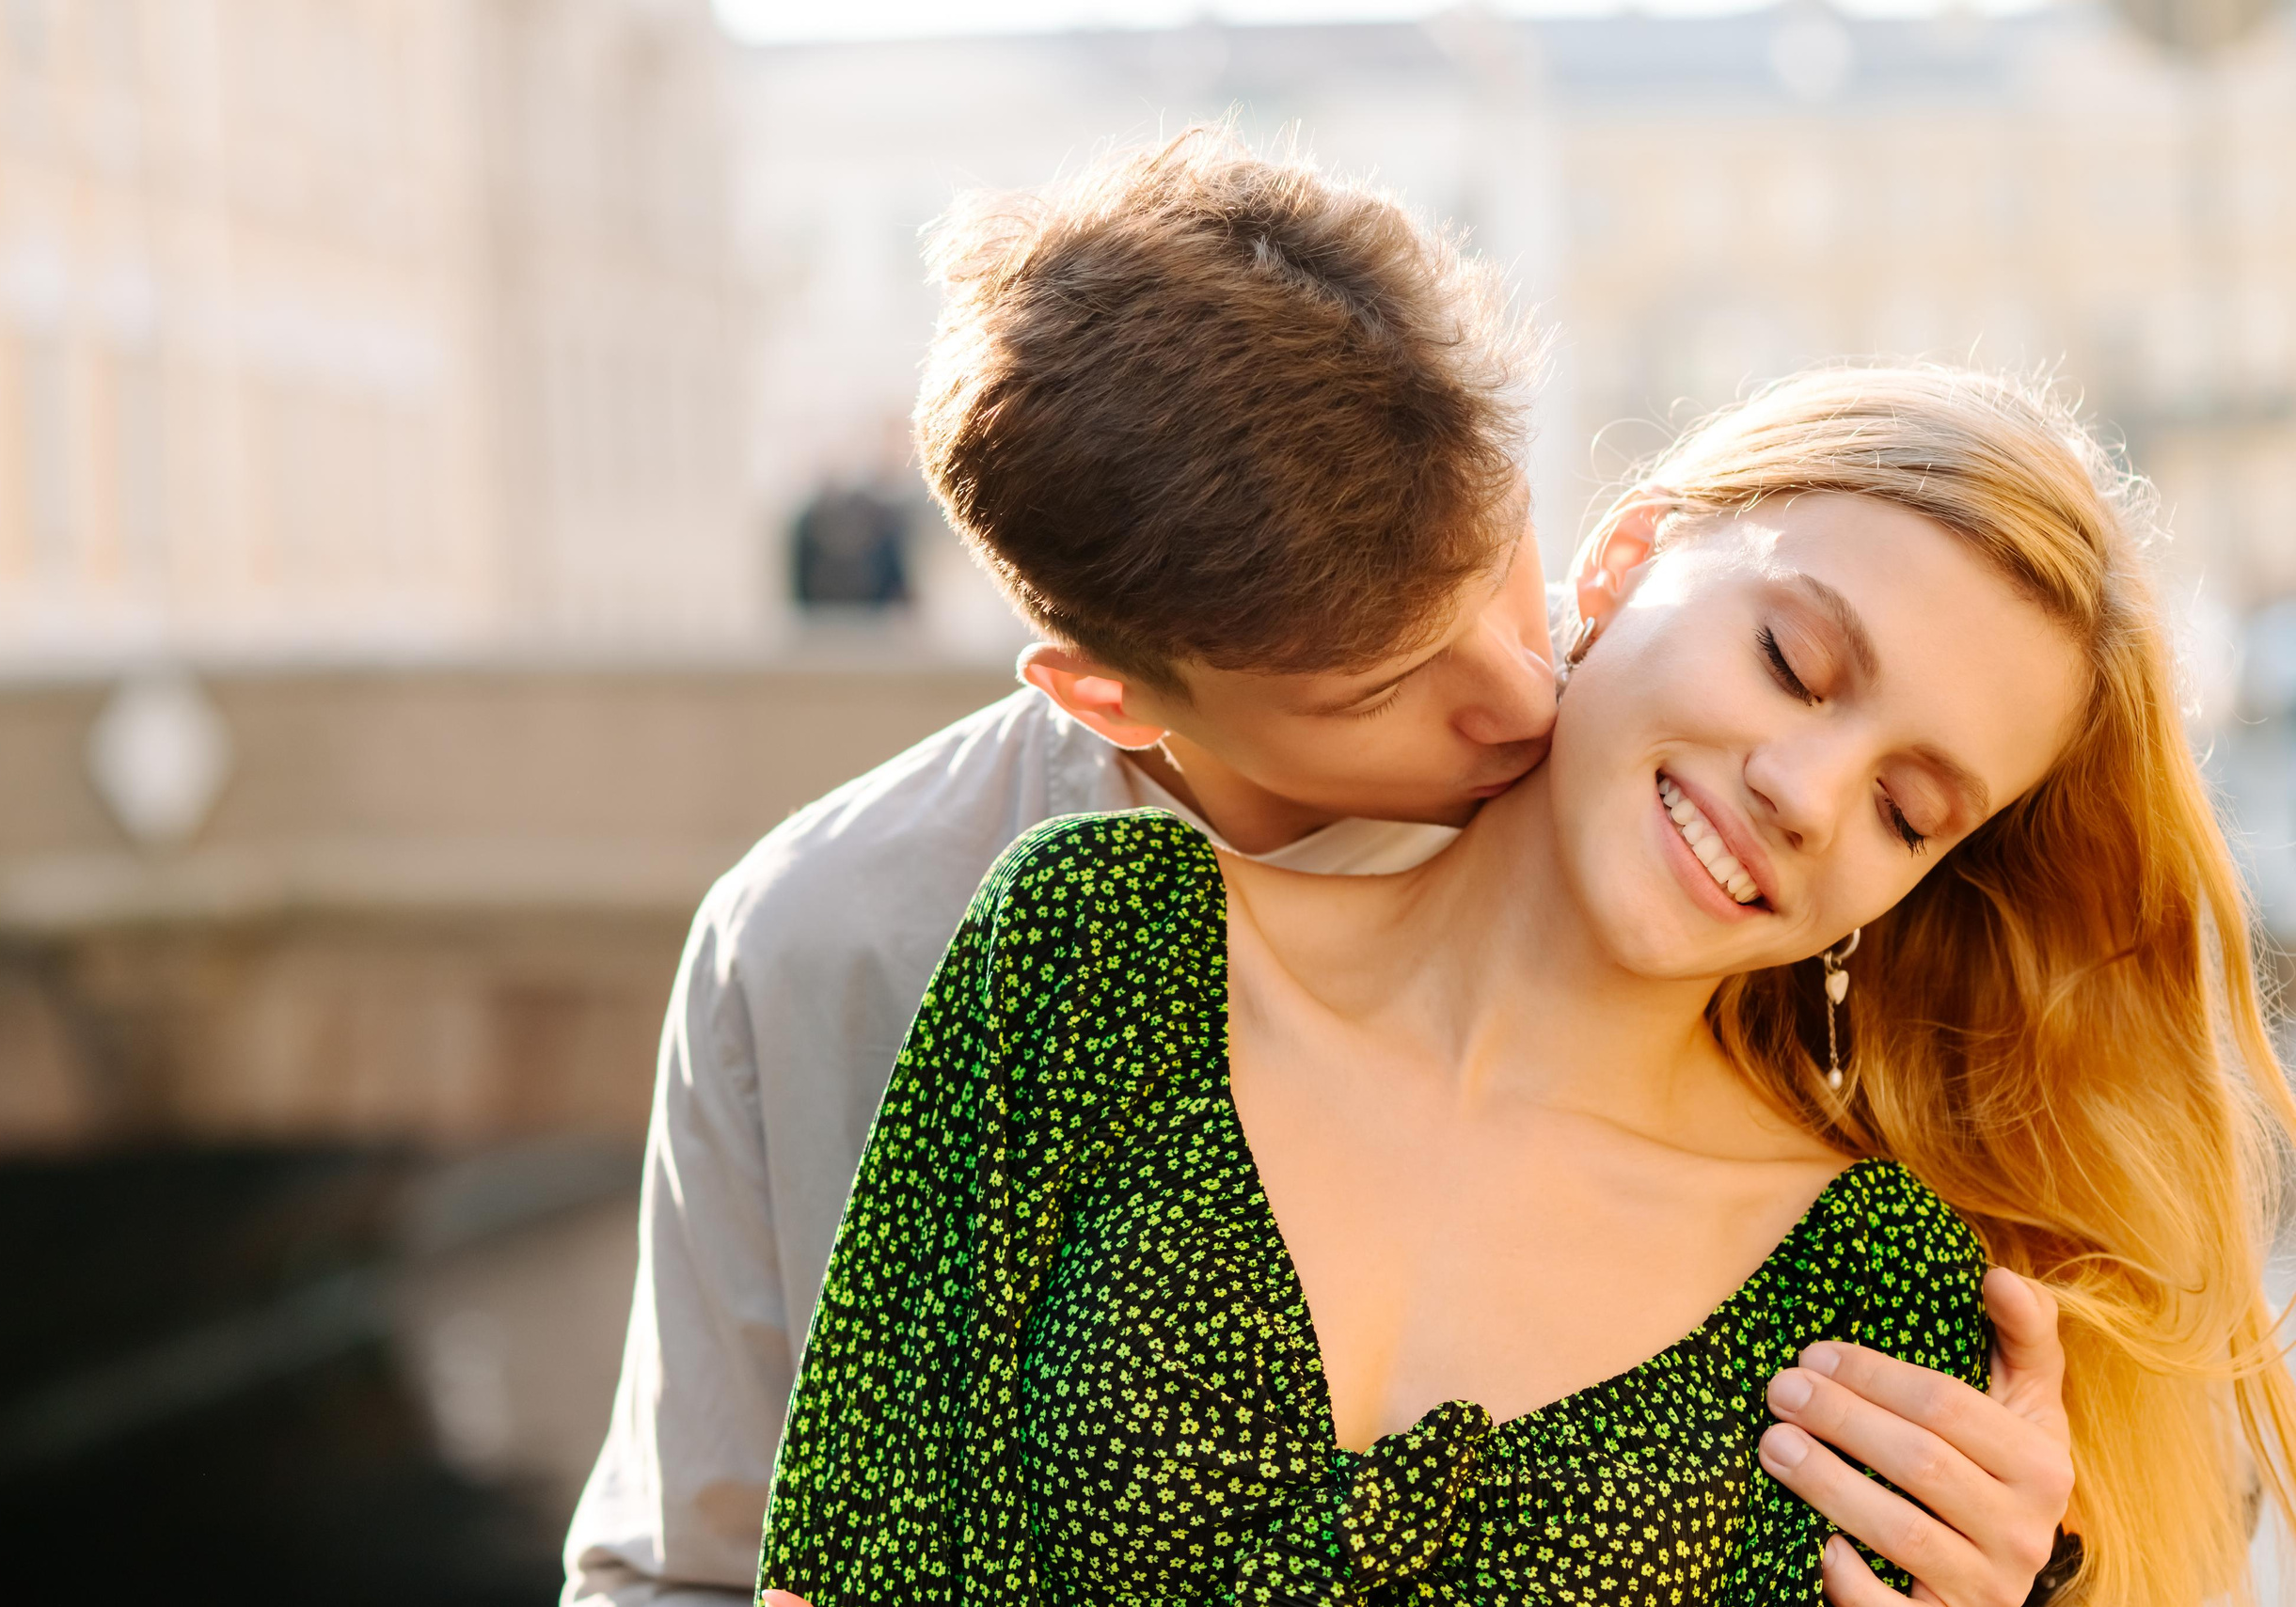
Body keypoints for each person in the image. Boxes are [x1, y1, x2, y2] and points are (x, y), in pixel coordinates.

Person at [562, 135, 2073, 1607]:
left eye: (1500, 562)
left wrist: (2049, 1579)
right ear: (1112, 699)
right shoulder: (862, 938)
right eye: (1380, 685)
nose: (1522, 692)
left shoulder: (1685, 836)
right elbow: (690, 1562)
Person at [757, 364, 2295, 1607]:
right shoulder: (1097, 948)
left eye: (1909, 808)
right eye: (1791, 660)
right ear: (1623, 565)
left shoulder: (1871, 1288)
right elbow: (838, 1572)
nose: (1811, 793)